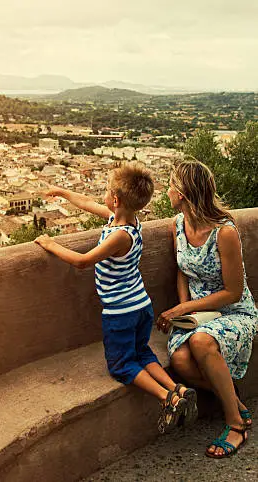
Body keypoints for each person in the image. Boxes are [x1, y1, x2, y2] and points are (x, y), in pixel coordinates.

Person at [35, 162, 196, 434]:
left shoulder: (118, 236)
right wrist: (62, 193)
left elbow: (84, 262)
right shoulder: (128, 221)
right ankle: (176, 388)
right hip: (141, 304)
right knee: (142, 353)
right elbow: (86, 202)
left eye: (108, 192)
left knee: (122, 365)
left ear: (116, 199)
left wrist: (51, 244)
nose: (103, 196)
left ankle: (167, 399)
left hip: (121, 312)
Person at [157, 159, 257, 458]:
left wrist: (183, 307)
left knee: (201, 341)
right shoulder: (177, 226)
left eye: (171, 185)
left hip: (233, 311)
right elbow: (182, 272)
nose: (167, 191)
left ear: (183, 194)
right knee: (181, 360)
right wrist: (184, 312)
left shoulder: (224, 232)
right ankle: (234, 401)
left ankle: (235, 423)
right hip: (198, 313)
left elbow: (233, 291)